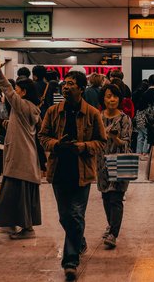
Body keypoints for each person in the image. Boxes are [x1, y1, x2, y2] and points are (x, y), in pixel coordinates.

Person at [38, 70, 106, 281]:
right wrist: (56, 144)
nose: (65, 87)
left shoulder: (92, 113)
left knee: (76, 215)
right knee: (65, 216)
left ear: (81, 89)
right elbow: (42, 136)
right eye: (64, 84)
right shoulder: (52, 111)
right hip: (58, 171)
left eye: (70, 84)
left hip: (82, 172)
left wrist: (83, 147)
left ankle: (70, 261)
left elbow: (102, 143)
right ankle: (79, 239)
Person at [0, 63, 42, 241]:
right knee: (16, 194)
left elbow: (7, 90)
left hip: (21, 159)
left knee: (18, 194)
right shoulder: (27, 108)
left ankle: (27, 228)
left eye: (18, 89)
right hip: (21, 158)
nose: (15, 92)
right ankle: (13, 222)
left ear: (24, 92)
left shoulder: (23, 106)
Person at [96, 84, 132, 249]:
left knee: (116, 197)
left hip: (119, 161)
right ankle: (110, 225)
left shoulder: (125, 119)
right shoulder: (97, 117)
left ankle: (113, 234)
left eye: (115, 96)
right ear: (103, 98)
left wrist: (115, 139)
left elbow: (126, 143)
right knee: (105, 196)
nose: (112, 99)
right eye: (108, 96)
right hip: (101, 162)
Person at [134, 74, 154, 155]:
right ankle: (145, 153)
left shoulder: (143, 91)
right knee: (148, 135)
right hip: (150, 118)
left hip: (140, 116)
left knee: (140, 136)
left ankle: (138, 154)